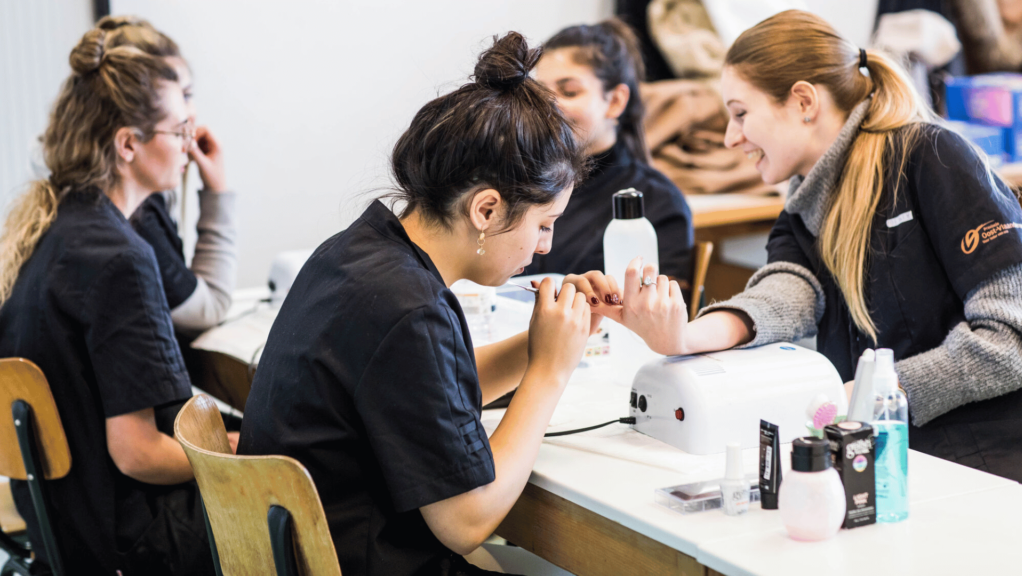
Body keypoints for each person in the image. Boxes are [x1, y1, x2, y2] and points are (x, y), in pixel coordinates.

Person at [567, 10, 1022, 482]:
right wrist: (682, 338)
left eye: (741, 113)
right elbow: (786, 294)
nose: (730, 137)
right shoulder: (804, 202)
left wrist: (866, 395)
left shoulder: (934, 158)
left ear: (804, 101)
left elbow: (1011, 341)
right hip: (876, 456)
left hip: (982, 465)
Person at [238, 33, 598, 575]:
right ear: (486, 209)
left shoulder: (359, 252)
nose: (546, 247)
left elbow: (426, 389)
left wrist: (543, 340)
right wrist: (549, 371)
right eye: (543, 225)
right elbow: (468, 521)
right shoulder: (409, 307)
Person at [0, 28, 228, 575]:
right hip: (124, 537)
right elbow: (138, 453)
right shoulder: (119, 257)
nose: (189, 144)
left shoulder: (46, 229)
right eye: (179, 130)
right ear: (128, 144)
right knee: (330, 490)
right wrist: (248, 454)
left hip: (65, 523)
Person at [523, 18, 694, 287]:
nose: (549, 107)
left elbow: (661, 317)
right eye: (540, 94)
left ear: (615, 101)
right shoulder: (523, 182)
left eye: (569, 91)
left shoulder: (659, 201)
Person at [96, 15, 238, 339]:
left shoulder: (93, 205)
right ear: (129, 140)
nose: (191, 114)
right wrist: (218, 194)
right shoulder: (133, 223)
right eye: (182, 96)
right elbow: (208, 306)